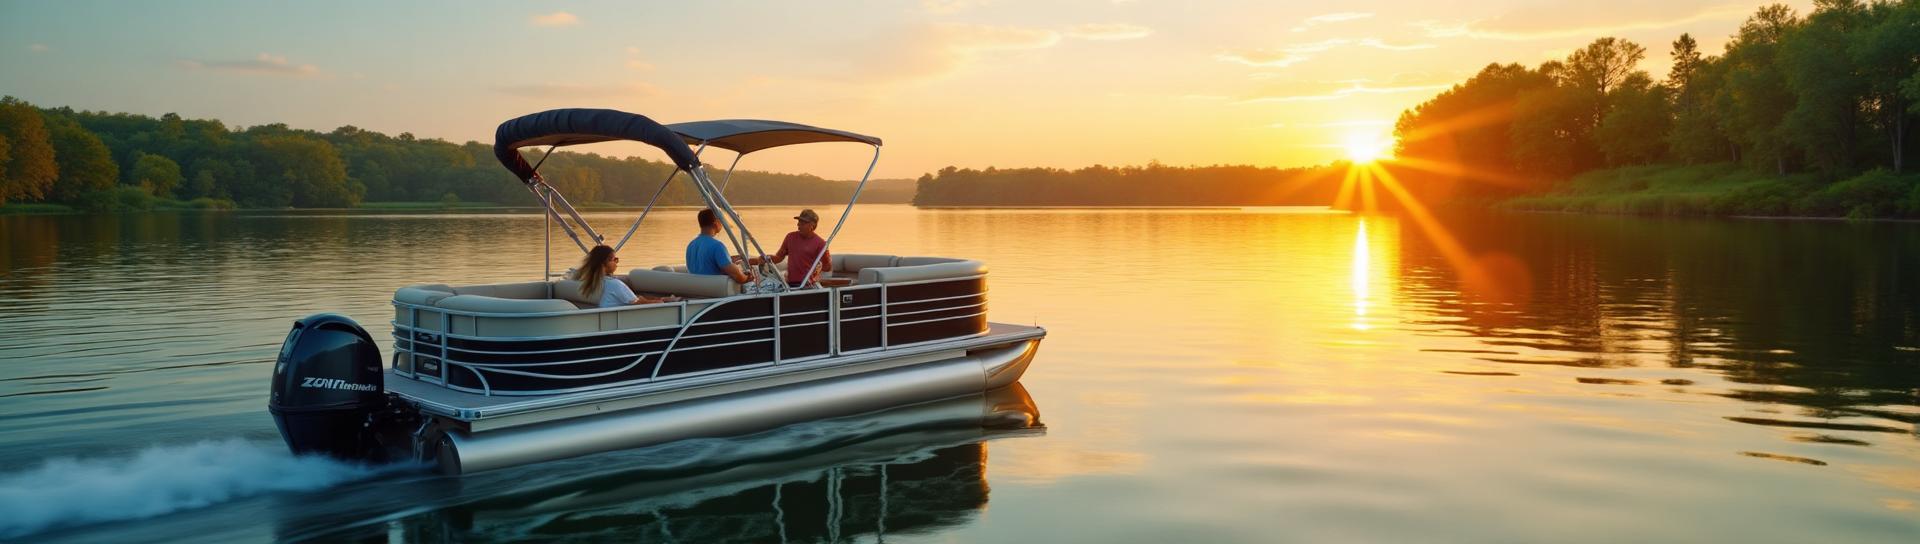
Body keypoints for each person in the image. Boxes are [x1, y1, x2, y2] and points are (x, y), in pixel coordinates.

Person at [748, 208, 832, 288]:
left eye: (803, 223)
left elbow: (827, 267)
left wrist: (817, 268)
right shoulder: (790, 237)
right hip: (790, 284)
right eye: (799, 221)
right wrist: (766, 258)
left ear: (812, 225)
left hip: (809, 285)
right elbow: (778, 258)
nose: (798, 224)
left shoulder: (821, 243)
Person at [573, 245, 676, 307]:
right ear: (605, 263)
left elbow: (634, 299)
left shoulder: (590, 282)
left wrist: (661, 299)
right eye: (614, 260)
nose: (617, 263)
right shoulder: (614, 284)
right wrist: (662, 302)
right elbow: (638, 303)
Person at [686, 208, 755, 285]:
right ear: (716, 223)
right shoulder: (717, 246)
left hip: (697, 289)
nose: (722, 224)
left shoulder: (691, 245)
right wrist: (747, 278)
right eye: (721, 221)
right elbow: (737, 275)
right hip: (714, 290)